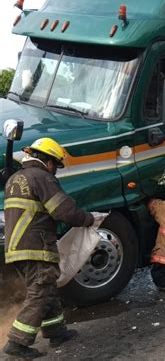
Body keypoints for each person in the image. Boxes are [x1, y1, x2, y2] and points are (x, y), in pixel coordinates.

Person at [3, 138, 96, 359]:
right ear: (46, 160)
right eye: (55, 164)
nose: (55, 170)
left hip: (16, 247)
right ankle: (17, 342)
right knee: (40, 291)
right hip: (36, 245)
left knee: (47, 288)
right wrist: (88, 219)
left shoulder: (16, 178)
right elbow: (63, 210)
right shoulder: (42, 177)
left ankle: (56, 331)